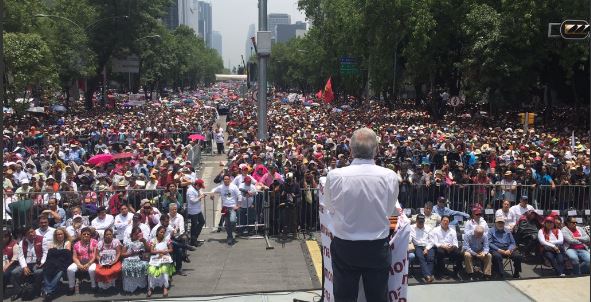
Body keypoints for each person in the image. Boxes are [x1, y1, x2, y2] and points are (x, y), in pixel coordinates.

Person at [323, 128, 398, 302]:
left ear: (351, 150)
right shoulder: (389, 176)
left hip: (345, 247)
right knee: (378, 297)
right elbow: (389, 211)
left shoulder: (335, 176)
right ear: (377, 150)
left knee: (344, 297)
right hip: (377, 248)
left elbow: (329, 207)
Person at [10, 226, 47, 301]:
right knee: (14, 273)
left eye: (32, 231)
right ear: (25, 235)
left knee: (39, 272)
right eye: (29, 232)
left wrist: (42, 262)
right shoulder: (22, 242)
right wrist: (24, 267)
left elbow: (46, 252)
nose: (31, 233)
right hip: (26, 263)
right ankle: (19, 291)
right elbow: (21, 256)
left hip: (38, 263)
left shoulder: (42, 239)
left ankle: (37, 291)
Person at [41, 227, 72, 301]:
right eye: (58, 234)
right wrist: (61, 252)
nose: (59, 236)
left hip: (63, 263)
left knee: (59, 272)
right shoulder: (52, 243)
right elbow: (49, 255)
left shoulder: (67, 242)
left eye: (61, 234)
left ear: (64, 234)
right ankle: (49, 292)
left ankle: (48, 291)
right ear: (55, 235)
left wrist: (54, 251)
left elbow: (67, 254)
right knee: (45, 270)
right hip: (52, 263)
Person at [67, 227, 98, 295]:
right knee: (70, 269)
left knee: (92, 269)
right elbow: (74, 257)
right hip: (80, 262)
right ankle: (71, 287)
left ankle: (93, 285)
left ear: (90, 235)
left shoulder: (94, 242)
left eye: (88, 234)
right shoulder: (76, 244)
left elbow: (95, 256)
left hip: (91, 261)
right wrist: (79, 265)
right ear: (81, 235)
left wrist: (88, 264)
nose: (86, 235)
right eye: (84, 234)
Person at [212, 175, 241, 246]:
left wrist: (238, 205)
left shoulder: (234, 187)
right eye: (225, 179)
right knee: (227, 224)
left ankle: (232, 233)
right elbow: (213, 190)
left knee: (233, 221)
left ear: (230, 180)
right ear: (223, 180)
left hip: (233, 207)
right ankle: (230, 237)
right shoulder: (221, 187)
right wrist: (212, 194)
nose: (226, 180)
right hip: (225, 207)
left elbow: (239, 195)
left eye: (227, 179)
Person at [147, 226, 175, 297]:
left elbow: (171, 249)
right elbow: (151, 251)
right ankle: (150, 288)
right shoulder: (153, 240)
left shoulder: (167, 240)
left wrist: (165, 251)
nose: (162, 234)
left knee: (164, 270)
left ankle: (165, 287)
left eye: (163, 232)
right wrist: (159, 251)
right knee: (151, 270)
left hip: (165, 258)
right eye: (161, 232)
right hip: (155, 258)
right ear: (157, 232)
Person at [121, 226, 149, 293]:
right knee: (126, 267)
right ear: (132, 234)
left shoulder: (142, 241)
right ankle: (130, 287)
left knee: (143, 265)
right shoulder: (128, 242)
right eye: (135, 234)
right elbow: (122, 254)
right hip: (129, 258)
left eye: (138, 234)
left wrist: (144, 242)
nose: (137, 236)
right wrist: (130, 253)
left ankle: (141, 285)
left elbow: (148, 250)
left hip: (140, 258)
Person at [410, 214, 435, 283]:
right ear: (416, 221)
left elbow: (432, 240)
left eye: (422, 222)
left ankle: (427, 276)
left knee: (431, 258)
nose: (421, 223)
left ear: (424, 221)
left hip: (428, 246)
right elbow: (409, 239)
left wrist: (427, 249)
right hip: (417, 246)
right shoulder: (411, 228)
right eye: (419, 222)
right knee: (420, 257)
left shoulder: (428, 228)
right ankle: (428, 275)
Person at [186, 179, 206, 246]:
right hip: (193, 211)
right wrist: (200, 197)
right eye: (199, 186)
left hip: (198, 210)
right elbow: (192, 201)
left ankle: (194, 238)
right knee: (194, 226)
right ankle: (193, 241)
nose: (200, 188)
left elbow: (201, 191)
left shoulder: (197, 188)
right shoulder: (190, 190)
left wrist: (202, 194)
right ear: (196, 185)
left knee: (202, 222)